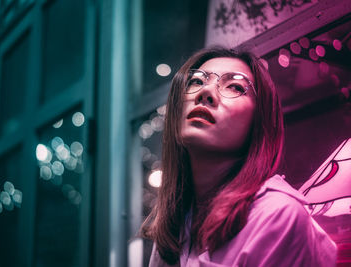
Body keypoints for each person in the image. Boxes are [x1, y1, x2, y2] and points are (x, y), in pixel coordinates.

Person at [141, 47, 337, 266]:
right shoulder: (177, 223)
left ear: (258, 122)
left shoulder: (277, 215)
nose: (205, 93)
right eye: (196, 81)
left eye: (235, 87)